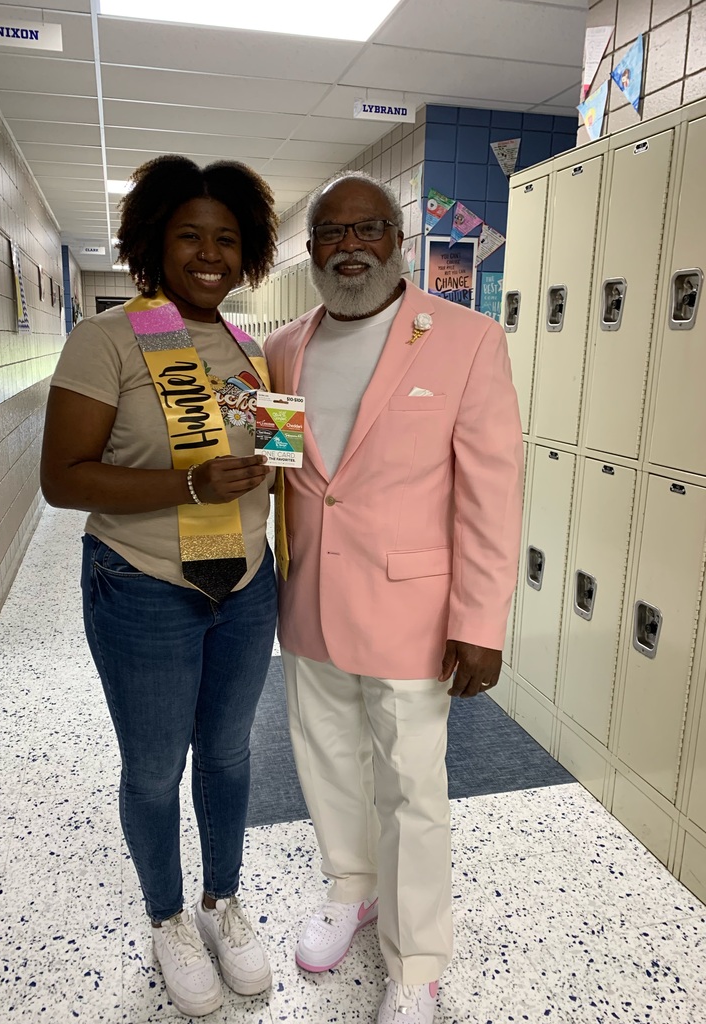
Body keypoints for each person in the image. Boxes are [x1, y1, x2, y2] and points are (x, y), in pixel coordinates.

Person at [265, 171, 523, 1024]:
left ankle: (416, 964)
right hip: (310, 598)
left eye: (367, 228)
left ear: (398, 239)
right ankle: (352, 888)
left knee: (412, 787)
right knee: (327, 761)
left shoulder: (466, 340)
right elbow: (284, 473)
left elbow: (490, 494)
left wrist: (480, 622)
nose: (350, 247)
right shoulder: (284, 348)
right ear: (311, 251)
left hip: (414, 611)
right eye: (331, 233)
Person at [40, 156, 279, 1019]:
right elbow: (62, 478)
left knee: (229, 754)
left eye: (227, 239)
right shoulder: (107, 339)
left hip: (245, 583)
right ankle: (168, 917)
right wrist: (189, 485)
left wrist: (278, 466)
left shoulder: (250, 349)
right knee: (153, 767)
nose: (210, 254)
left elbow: (264, 457)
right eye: (190, 236)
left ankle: (222, 900)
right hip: (144, 584)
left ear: (248, 253)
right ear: (154, 243)